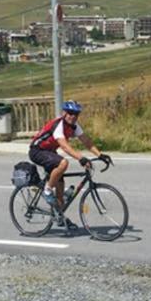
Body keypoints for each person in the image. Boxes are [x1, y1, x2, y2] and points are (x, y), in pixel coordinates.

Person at [28, 99, 111, 230]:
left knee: (60, 191)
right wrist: (81, 158)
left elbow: (86, 141)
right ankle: (48, 189)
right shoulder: (58, 125)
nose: (73, 116)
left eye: (76, 114)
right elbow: (65, 147)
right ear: (64, 113)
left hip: (49, 152)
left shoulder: (74, 126)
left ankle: (59, 217)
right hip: (37, 151)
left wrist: (100, 155)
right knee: (63, 162)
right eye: (70, 113)